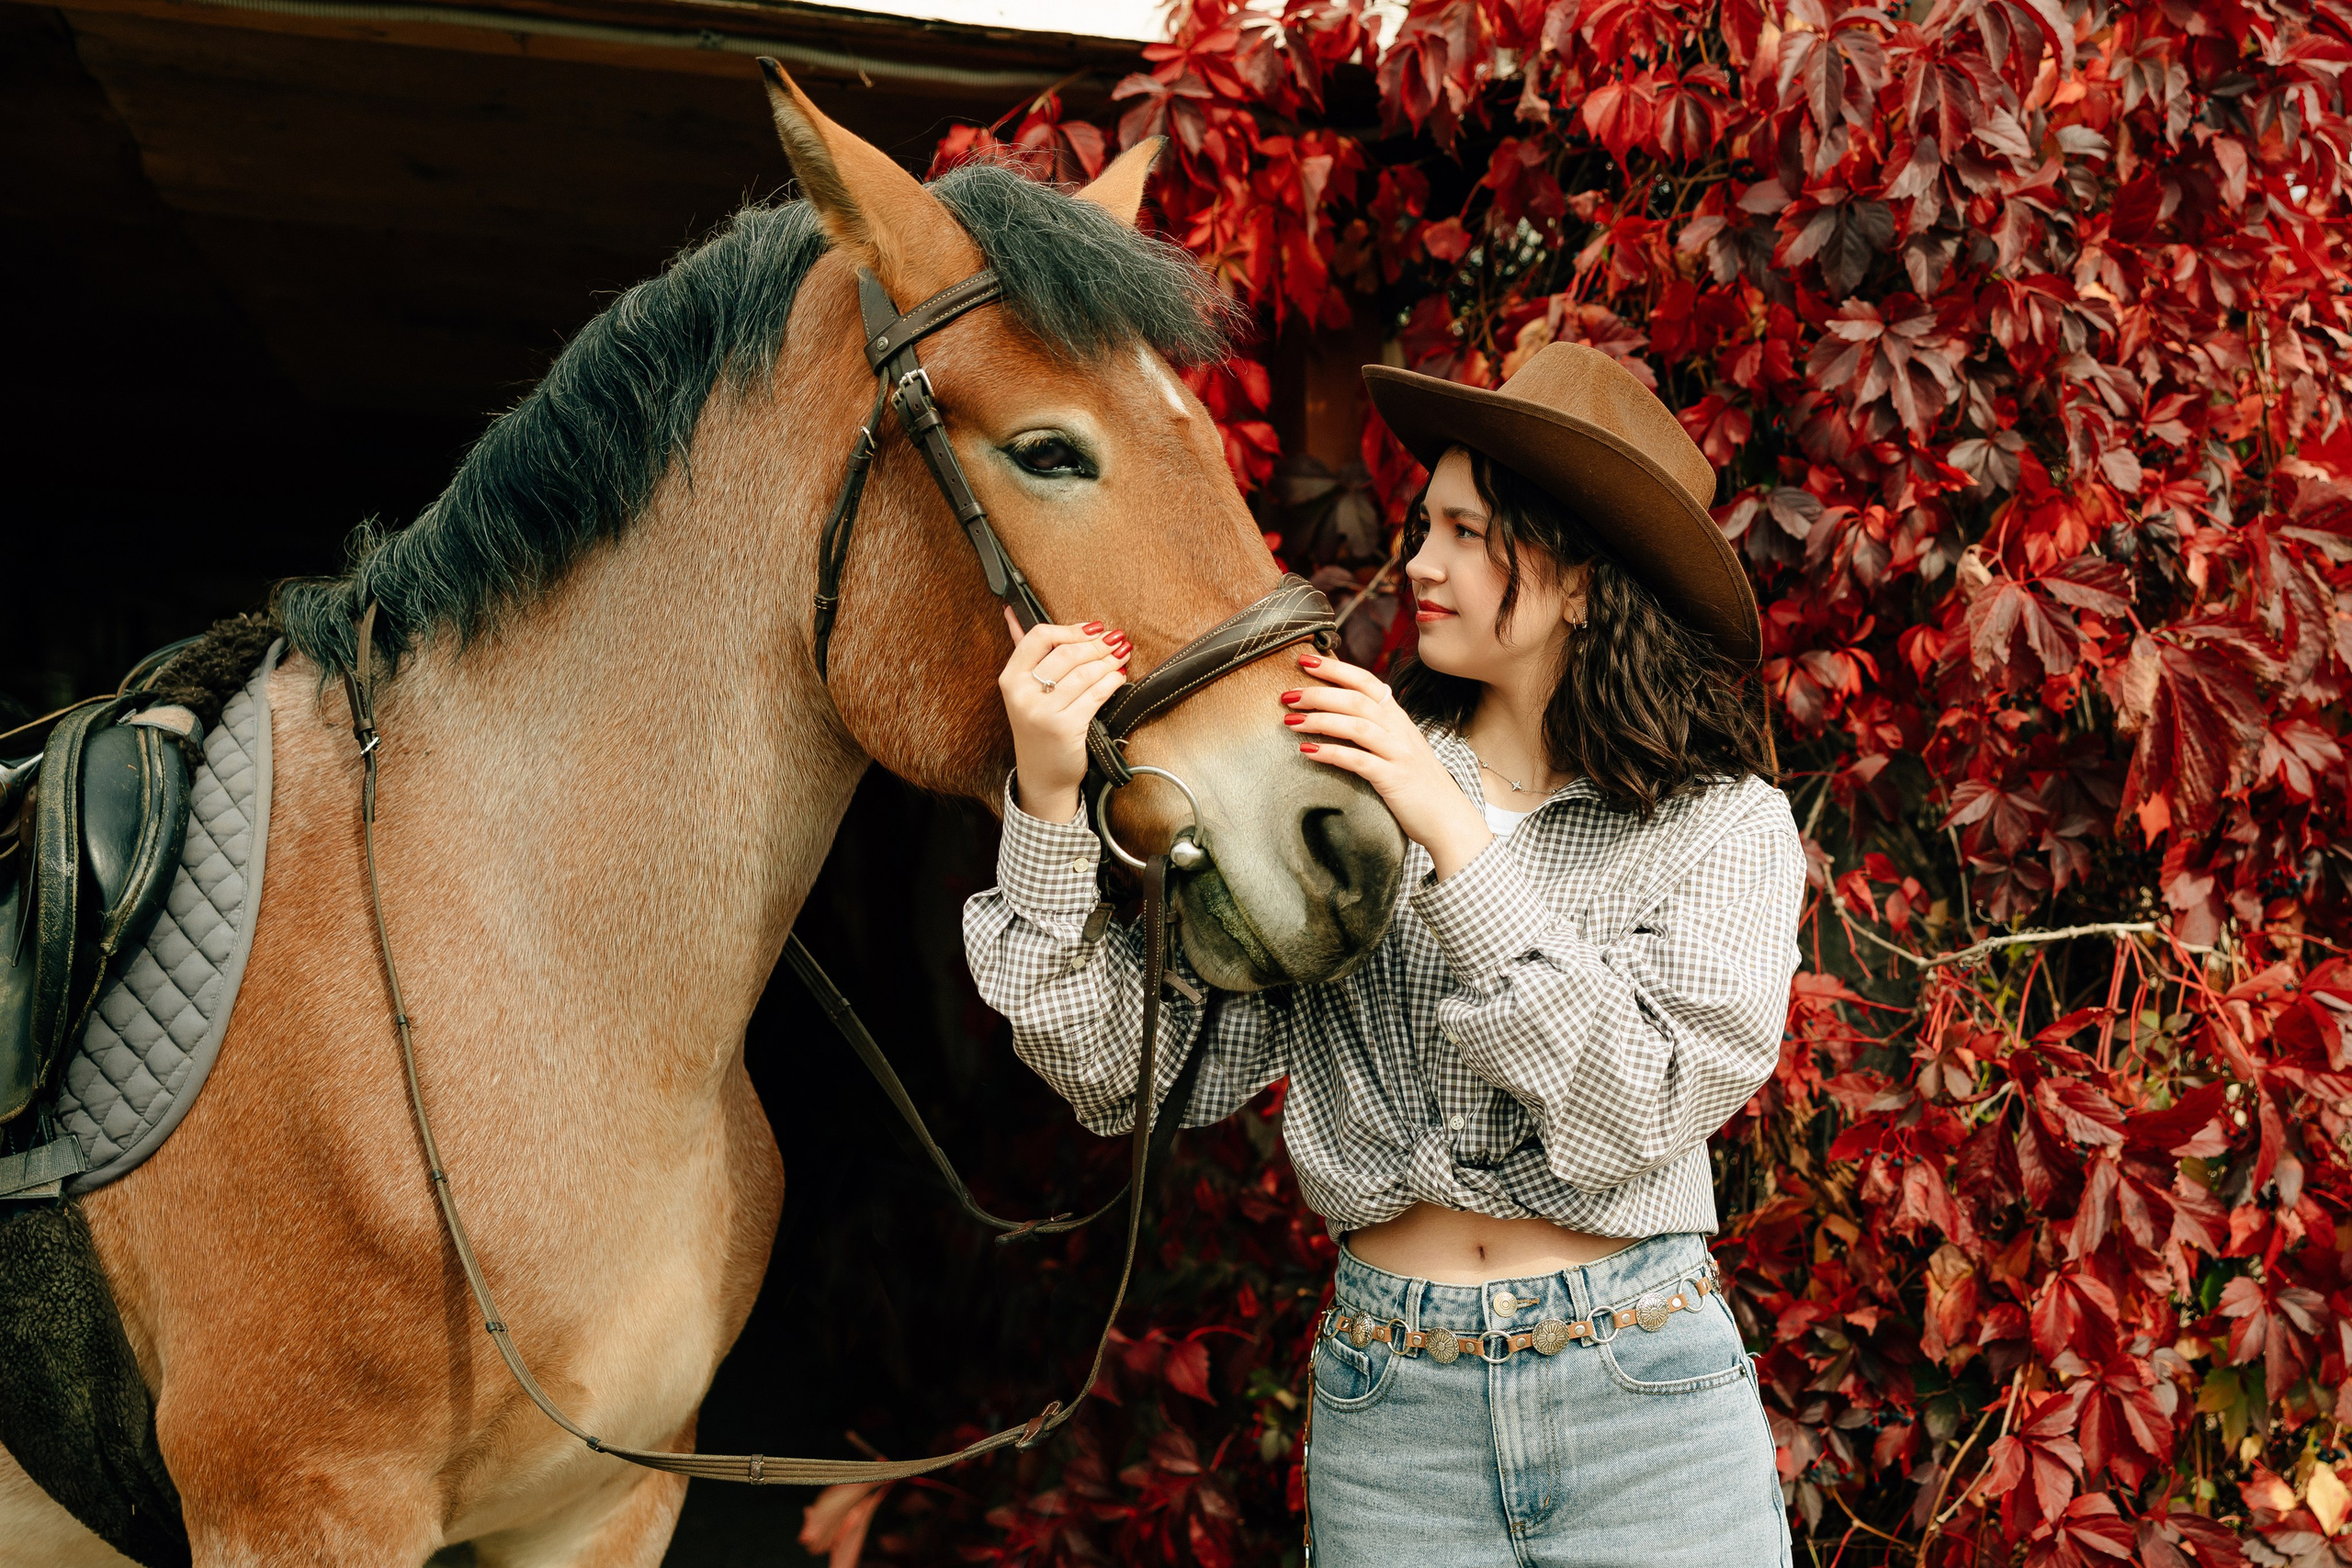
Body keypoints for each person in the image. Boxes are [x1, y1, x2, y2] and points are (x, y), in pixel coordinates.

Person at [964, 342, 1804, 1564]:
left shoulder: (1724, 826)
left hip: (1647, 1402)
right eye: (1425, 524)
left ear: (1580, 581)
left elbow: (1637, 1107)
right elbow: (1129, 1078)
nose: (1418, 561)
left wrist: (1452, 835)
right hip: (1394, 1410)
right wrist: (1044, 807)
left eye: (1466, 532)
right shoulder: (1327, 795)